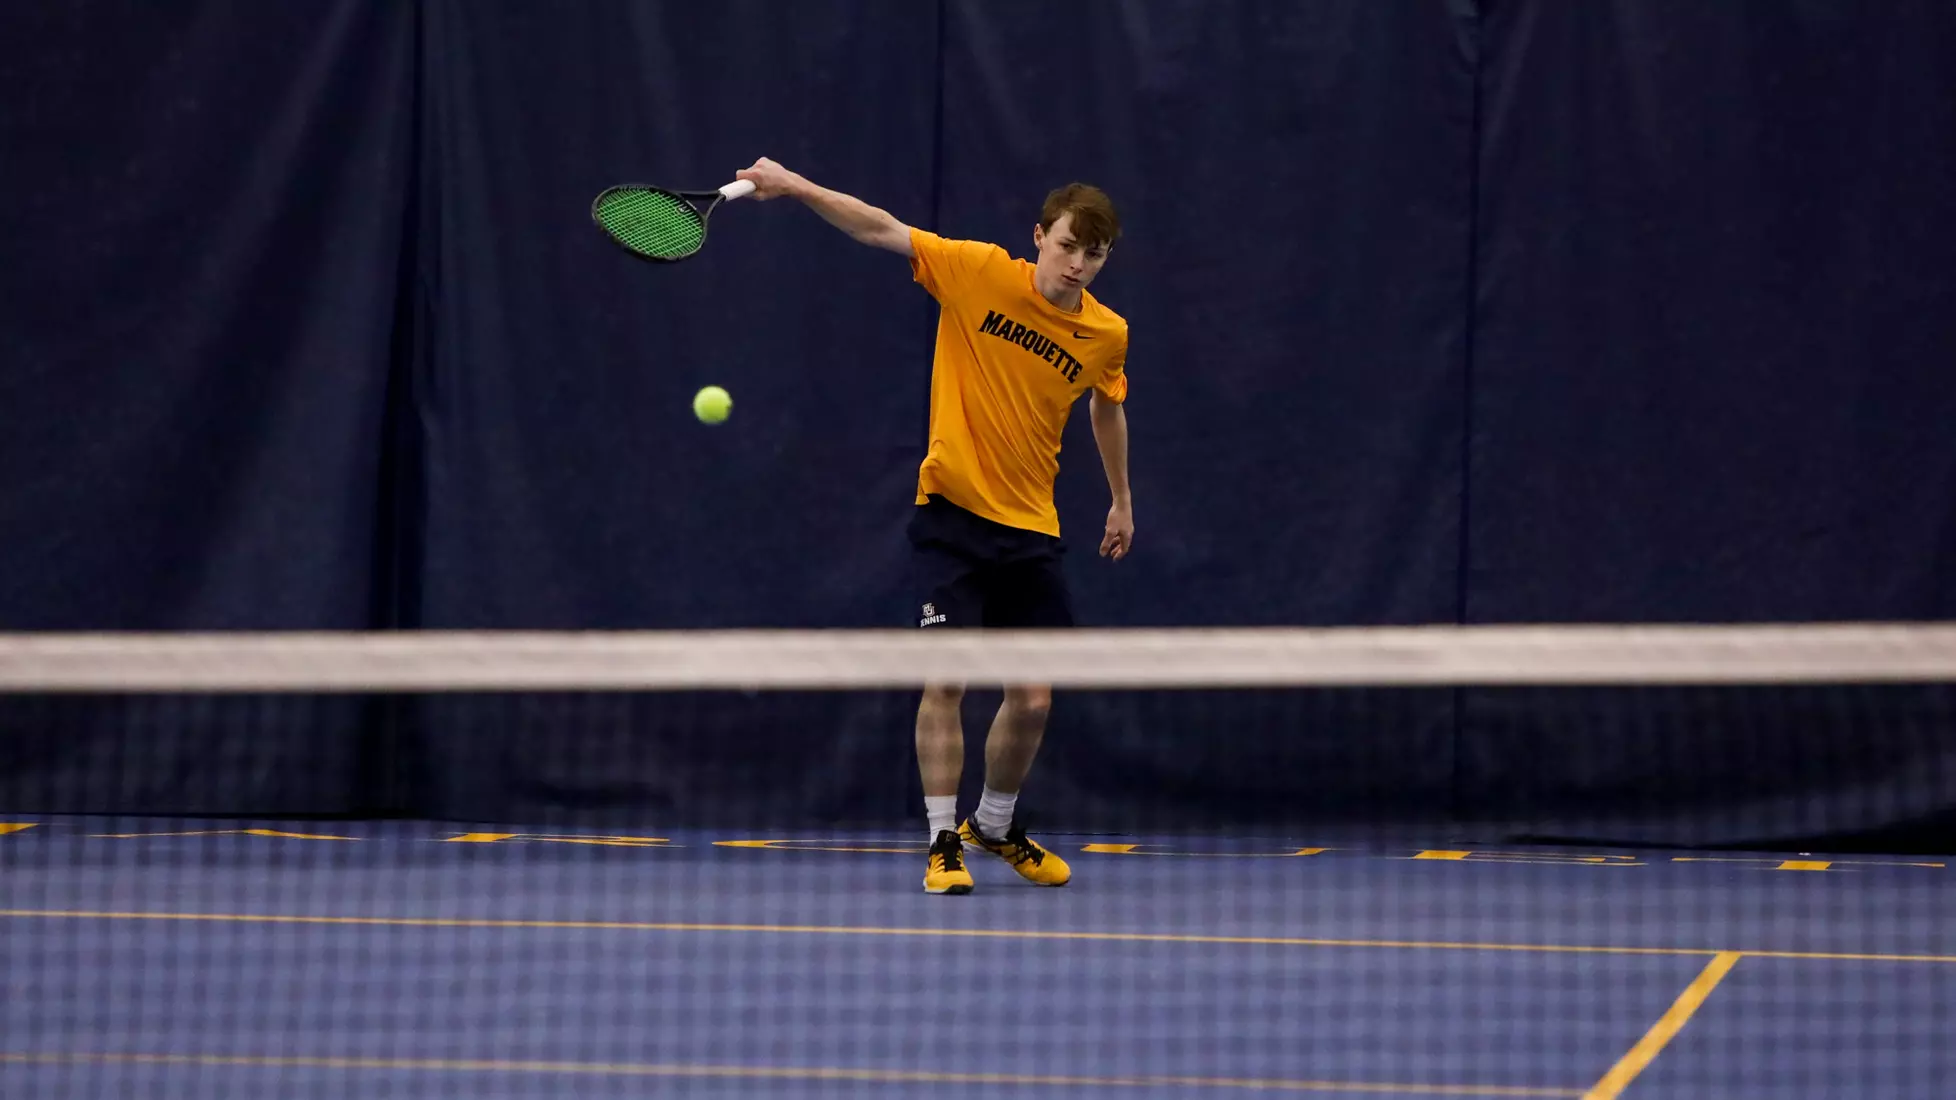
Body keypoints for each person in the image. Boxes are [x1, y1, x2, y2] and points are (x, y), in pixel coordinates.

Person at [734, 157, 1133, 895]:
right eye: (1069, 245)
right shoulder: (977, 272)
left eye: (1095, 253)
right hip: (951, 514)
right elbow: (880, 228)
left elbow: (1107, 406)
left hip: (1030, 528)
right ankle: (942, 839)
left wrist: (1120, 498)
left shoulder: (1107, 335)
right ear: (1040, 236)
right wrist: (793, 186)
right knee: (946, 677)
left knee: (1036, 695)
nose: (1078, 264)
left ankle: (996, 823)